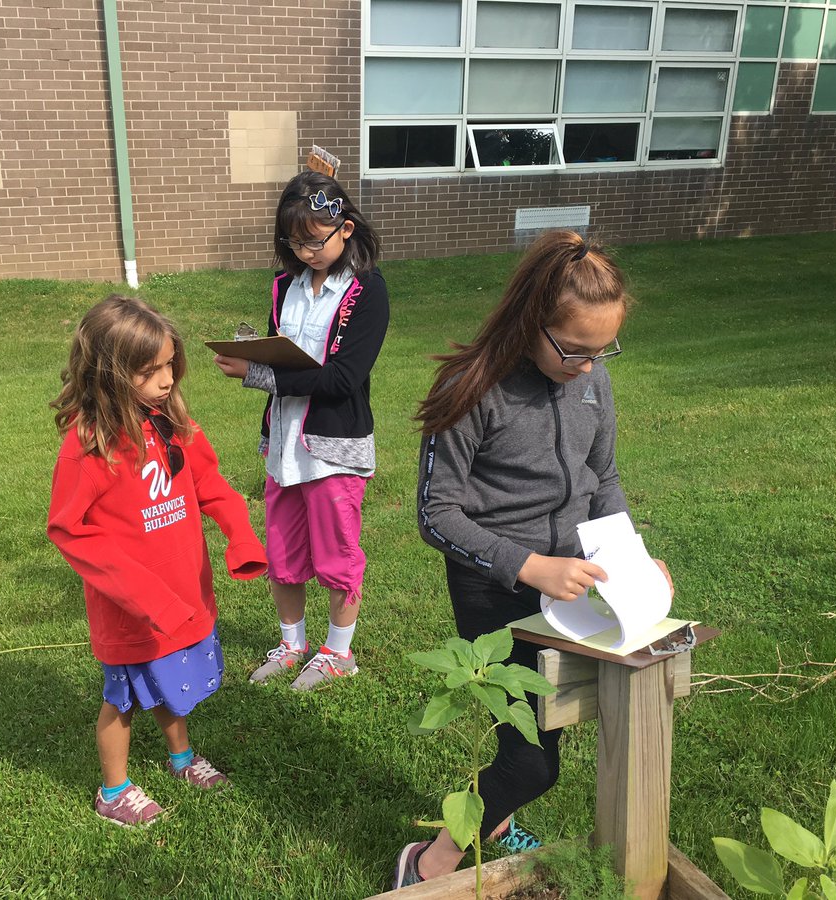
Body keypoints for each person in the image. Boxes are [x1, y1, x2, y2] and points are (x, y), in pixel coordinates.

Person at [392, 230, 674, 887]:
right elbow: (438, 515)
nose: (589, 366)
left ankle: (492, 819)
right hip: (499, 597)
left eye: (603, 351)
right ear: (531, 320)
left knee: (558, 723)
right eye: (575, 350)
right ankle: (430, 863)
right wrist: (529, 566)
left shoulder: (592, 382)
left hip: (576, 590)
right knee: (534, 760)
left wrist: (633, 558)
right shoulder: (472, 388)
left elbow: (602, 480)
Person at [47, 294, 267, 827]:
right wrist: (147, 598)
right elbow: (68, 529)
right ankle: (113, 791)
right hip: (132, 609)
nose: (168, 379)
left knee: (172, 681)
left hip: (183, 593)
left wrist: (241, 537)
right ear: (111, 374)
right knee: (122, 698)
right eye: (151, 371)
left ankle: (181, 758)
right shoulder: (90, 444)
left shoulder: (169, 421)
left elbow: (209, 483)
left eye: (171, 364)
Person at [214, 170, 388, 691]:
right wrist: (254, 354)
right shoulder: (283, 288)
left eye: (315, 240)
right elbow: (288, 355)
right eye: (295, 241)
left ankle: (338, 653)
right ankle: (293, 643)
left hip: (334, 448)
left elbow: (343, 378)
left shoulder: (366, 290)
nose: (306, 252)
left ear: (346, 229)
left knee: (337, 553)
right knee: (283, 552)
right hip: (283, 446)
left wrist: (258, 373)